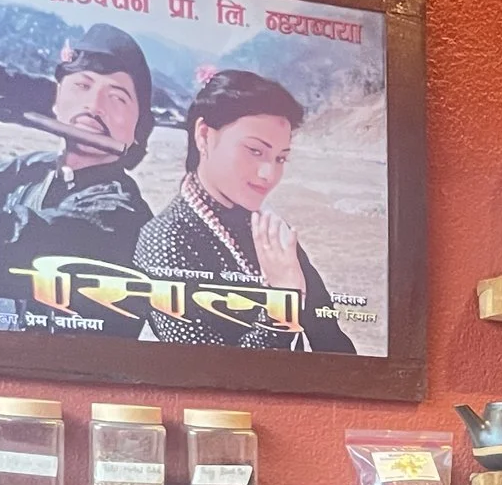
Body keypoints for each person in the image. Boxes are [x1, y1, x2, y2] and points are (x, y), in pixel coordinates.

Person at [0, 23, 155, 335]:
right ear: (57, 101)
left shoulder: (120, 215)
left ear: (138, 128)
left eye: (117, 98)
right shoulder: (36, 169)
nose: (94, 106)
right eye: (82, 86)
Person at [131, 70, 356, 353]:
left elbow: (333, 343)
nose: (269, 174)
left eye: (281, 158)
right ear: (204, 136)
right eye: (255, 151)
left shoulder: (272, 232)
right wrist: (281, 300)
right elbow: (205, 374)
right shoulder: (162, 240)